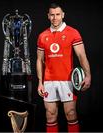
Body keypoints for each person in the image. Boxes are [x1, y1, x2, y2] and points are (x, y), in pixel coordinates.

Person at [36, 3, 91, 133]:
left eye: (57, 14)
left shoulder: (73, 32)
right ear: (48, 16)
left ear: (63, 15)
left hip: (67, 80)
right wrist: (40, 82)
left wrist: (88, 75)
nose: (55, 18)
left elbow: (81, 55)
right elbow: (39, 60)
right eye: (52, 15)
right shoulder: (43, 35)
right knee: (50, 115)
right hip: (49, 81)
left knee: (70, 113)